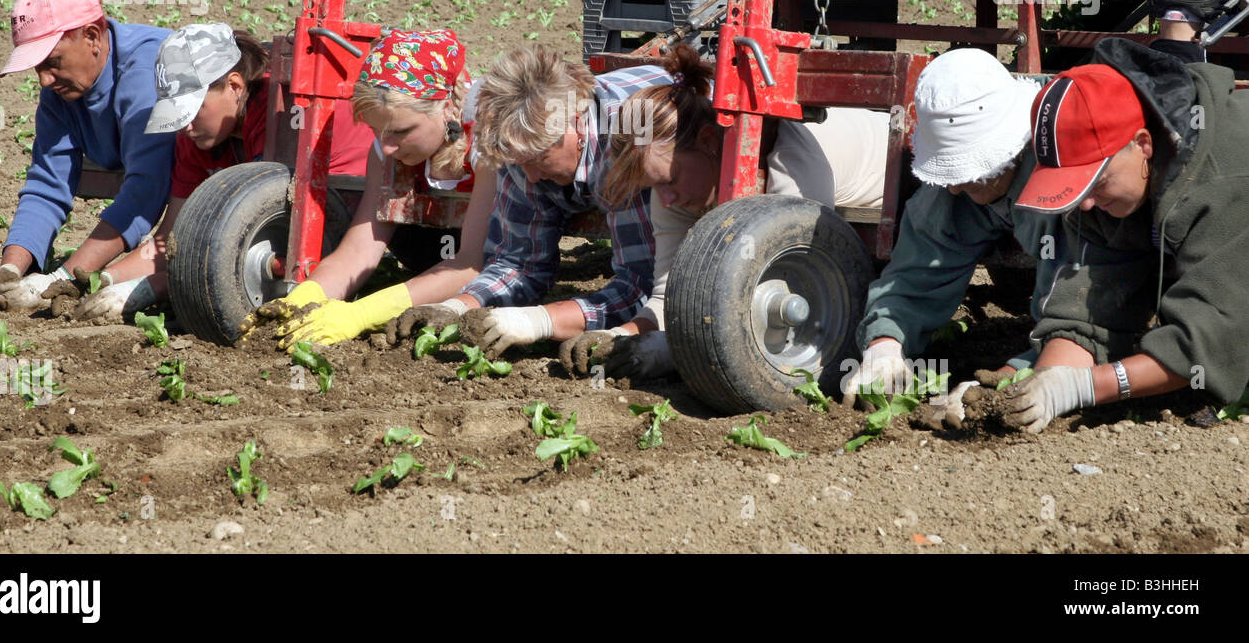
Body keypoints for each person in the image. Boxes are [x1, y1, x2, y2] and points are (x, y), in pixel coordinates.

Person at [557, 42, 890, 380]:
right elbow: (667, 293)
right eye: (654, 186)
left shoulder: (788, 166)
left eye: (670, 180)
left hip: (895, 166)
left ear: (706, 141)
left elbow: (794, 294)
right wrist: (620, 336)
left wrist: (669, 350)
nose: (666, 199)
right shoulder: (675, 189)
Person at [1002, 36, 1249, 432]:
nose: (1084, 205)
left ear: (1142, 144)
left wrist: (1087, 388)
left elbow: (1207, 340)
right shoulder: (1111, 192)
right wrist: (1033, 390)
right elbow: (1085, 316)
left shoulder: (1225, 178)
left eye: (1094, 182)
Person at [72, 22, 373, 323]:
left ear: (235, 86)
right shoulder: (197, 135)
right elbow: (170, 239)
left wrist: (157, 285)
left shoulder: (278, 112)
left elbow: (243, 239)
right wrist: (101, 281)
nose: (184, 125)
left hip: (346, 214)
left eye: (194, 109)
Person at [390, 44, 671, 360]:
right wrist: (457, 306)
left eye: (539, 160)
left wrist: (539, 321)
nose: (531, 178)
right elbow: (519, 263)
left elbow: (643, 287)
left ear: (576, 122)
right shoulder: (524, 145)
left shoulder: (628, 143)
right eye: (519, 163)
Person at [244, 29, 498, 349]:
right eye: (377, 132)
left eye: (401, 132)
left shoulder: (489, 141)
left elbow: (470, 265)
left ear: (447, 107)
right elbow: (359, 250)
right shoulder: (386, 151)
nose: (387, 147)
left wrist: (362, 315)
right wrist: (306, 297)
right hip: (431, 255)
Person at [841, 48, 1065, 410]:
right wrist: (884, 346)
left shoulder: (1064, 181)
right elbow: (913, 280)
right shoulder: (954, 193)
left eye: (965, 174)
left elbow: (1080, 324)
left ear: (1010, 150)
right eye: (949, 174)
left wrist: (1004, 380)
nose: (954, 188)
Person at [0, 0, 176, 312]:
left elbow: (144, 192)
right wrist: (11, 268)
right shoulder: (60, 92)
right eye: (37, 66)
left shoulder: (148, 71)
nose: (44, 79)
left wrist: (61, 278)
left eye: (53, 61)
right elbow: (48, 184)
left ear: (92, 36)